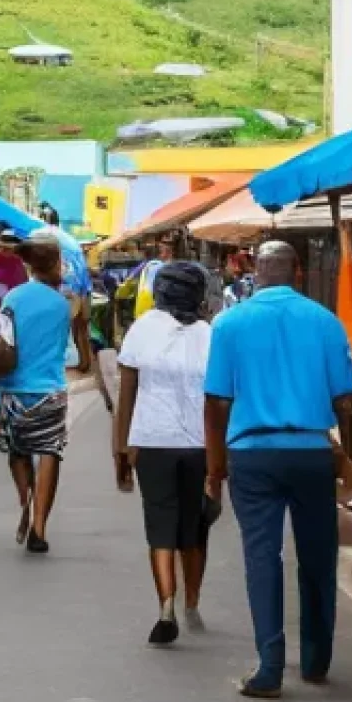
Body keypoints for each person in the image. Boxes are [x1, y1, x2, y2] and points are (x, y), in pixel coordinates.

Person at [203, 241, 352, 698]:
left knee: (261, 558)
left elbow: (216, 400)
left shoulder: (229, 324)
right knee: (317, 555)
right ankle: (315, 661)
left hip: (251, 454)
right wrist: (348, 458)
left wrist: (215, 468)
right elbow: (345, 402)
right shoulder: (326, 322)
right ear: (300, 272)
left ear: (255, 271)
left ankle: (269, 668)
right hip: (311, 451)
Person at [114, 263, 212, 645]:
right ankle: (192, 600)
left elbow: (127, 395)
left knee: (160, 524)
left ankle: (166, 605)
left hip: (151, 440)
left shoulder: (143, 328)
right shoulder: (210, 334)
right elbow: (222, 398)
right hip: (200, 444)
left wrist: (120, 451)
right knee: (195, 524)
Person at [0, 236, 72, 554]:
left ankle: (26, 497)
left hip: (14, 390)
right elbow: (64, 349)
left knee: (17, 450)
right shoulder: (62, 304)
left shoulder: (13, 298)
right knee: (50, 452)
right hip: (51, 391)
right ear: (54, 263)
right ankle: (40, 525)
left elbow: (0, 340)